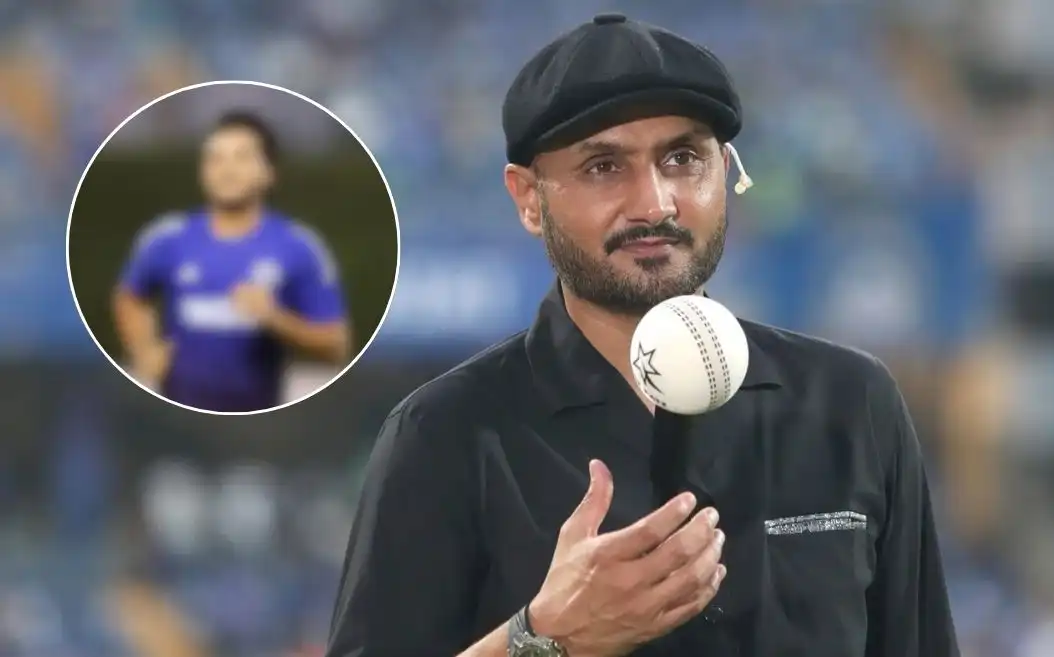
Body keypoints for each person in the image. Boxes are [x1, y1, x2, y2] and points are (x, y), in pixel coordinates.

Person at [327, 13, 958, 657]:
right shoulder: (443, 434)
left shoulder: (852, 403)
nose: (655, 204)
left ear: (725, 172)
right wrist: (542, 639)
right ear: (529, 198)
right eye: (603, 166)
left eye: (683, 159)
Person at [112, 110, 350, 413]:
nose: (227, 170)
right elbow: (130, 296)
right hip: (173, 414)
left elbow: (336, 344)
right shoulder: (166, 237)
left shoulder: (299, 246)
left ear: (269, 172)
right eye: (215, 159)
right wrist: (144, 347)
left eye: (242, 157)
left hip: (259, 417)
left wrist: (276, 319)